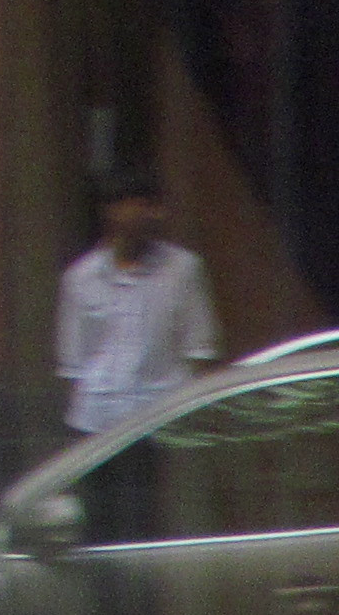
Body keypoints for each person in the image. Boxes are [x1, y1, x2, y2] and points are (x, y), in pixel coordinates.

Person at [54, 168, 221, 438]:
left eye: (153, 207)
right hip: (97, 422)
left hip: (162, 419)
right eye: (139, 206)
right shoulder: (80, 277)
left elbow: (199, 349)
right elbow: (73, 362)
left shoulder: (183, 269)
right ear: (113, 211)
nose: (151, 216)